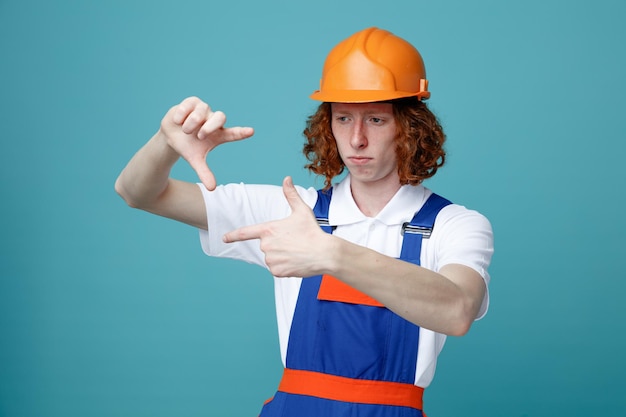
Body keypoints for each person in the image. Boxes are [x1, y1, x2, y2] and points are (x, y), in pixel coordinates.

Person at [115, 27, 494, 417]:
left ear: (410, 127)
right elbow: (137, 192)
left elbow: (458, 309)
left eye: (377, 120)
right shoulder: (292, 212)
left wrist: (330, 254)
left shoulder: (454, 224)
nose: (357, 139)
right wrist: (165, 142)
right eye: (343, 118)